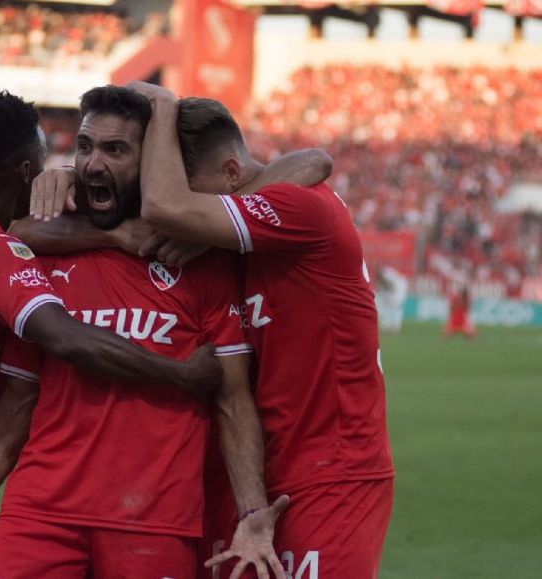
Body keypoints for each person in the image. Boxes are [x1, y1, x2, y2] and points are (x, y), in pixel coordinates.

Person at [0, 86, 288, 579]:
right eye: (84, 147)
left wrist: (252, 514)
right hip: (39, 514)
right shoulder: (43, 259)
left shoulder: (198, 259)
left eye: (115, 150)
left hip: (153, 523)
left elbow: (232, 398)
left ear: (154, 163)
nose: (94, 163)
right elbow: (17, 400)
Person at [121, 82, 395, 578]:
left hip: (331, 472)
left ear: (230, 173)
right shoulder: (234, 243)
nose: (187, 225)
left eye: (194, 194)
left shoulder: (301, 210)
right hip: (249, 473)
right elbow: (308, 159)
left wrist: (162, 105)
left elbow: (165, 207)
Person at [376, 265, 409, 335]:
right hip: (394, 289)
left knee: (396, 307)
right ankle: (387, 326)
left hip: (399, 287)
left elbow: (391, 286)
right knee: (387, 307)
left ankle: (395, 327)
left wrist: (388, 296)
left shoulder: (387, 274)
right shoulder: (381, 276)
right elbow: (384, 287)